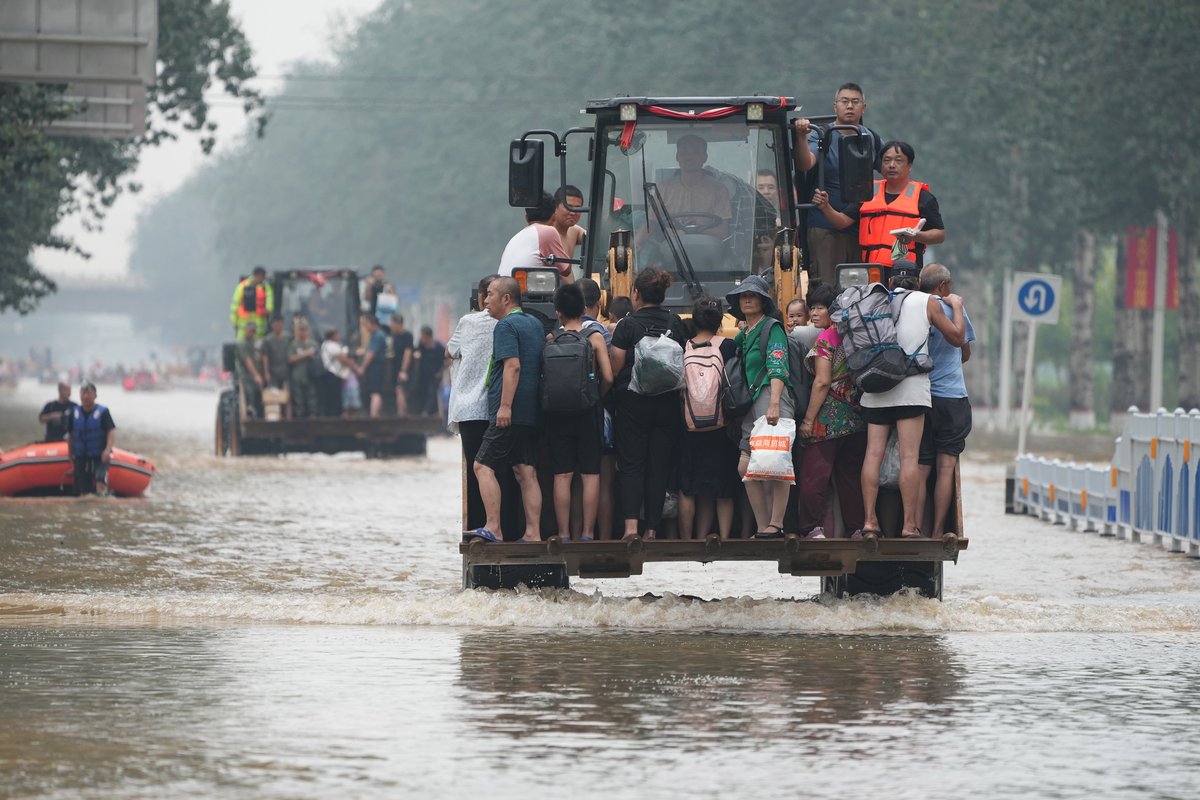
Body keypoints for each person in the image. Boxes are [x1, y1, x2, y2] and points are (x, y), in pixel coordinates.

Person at [856, 261, 966, 539]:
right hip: (911, 389)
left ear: (891, 281)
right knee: (909, 458)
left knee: (872, 456)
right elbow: (956, 338)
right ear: (917, 282)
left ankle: (870, 522)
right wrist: (959, 307)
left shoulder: (874, 299)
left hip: (876, 387)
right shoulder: (927, 301)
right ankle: (909, 526)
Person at [464, 276, 546, 543]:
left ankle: (493, 527)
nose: (485, 301)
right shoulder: (535, 324)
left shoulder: (506, 326)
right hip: (531, 412)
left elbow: (513, 366)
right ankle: (533, 532)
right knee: (526, 471)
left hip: (509, 413)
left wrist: (504, 407)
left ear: (506, 299)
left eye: (489, 295)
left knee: (481, 466)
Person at [610, 268, 690, 540]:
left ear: (636, 294)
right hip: (667, 402)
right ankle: (652, 529)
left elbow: (616, 366)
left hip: (633, 403)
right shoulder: (676, 322)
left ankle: (631, 528)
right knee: (659, 465)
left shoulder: (627, 325)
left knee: (632, 464)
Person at [795, 282, 867, 539]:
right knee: (850, 478)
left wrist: (807, 420)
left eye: (820, 308)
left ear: (833, 310)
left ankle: (812, 528)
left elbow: (823, 381)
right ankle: (856, 529)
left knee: (814, 476)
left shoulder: (827, 338)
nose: (814, 313)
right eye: (811, 307)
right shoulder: (855, 335)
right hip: (858, 418)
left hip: (828, 420)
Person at [794, 83, 885, 286]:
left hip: (861, 227)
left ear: (864, 107)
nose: (850, 106)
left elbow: (889, 169)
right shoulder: (821, 134)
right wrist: (801, 136)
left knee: (859, 289)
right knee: (828, 286)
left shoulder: (871, 137)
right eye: (844, 101)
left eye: (855, 102)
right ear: (835, 106)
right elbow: (805, 163)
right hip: (824, 226)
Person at [726, 275, 794, 538]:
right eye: (743, 296)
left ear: (764, 301)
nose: (747, 299)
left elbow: (778, 367)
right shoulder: (745, 333)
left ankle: (776, 525)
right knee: (746, 466)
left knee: (777, 461)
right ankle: (763, 526)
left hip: (771, 396)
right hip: (753, 403)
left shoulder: (772, 328)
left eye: (753, 295)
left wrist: (775, 404)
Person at [812, 141, 945, 272]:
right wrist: (825, 206)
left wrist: (915, 236)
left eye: (898, 161)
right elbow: (841, 222)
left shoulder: (923, 197)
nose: (891, 165)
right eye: (886, 160)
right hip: (870, 271)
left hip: (906, 272)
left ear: (909, 166)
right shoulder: (868, 192)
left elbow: (940, 234)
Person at [546, 283, 613, 541]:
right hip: (589, 411)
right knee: (590, 474)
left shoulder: (553, 339)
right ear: (584, 309)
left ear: (559, 313)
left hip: (558, 413)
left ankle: (563, 533)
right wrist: (596, 395)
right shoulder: (594, 338)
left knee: (562, 475)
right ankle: (587, 533)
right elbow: (607, 376)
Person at [918, 263, 977, 537]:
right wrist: (956, 307)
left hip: (922, 398)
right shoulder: (953, 308)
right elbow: (964, 352)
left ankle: (913, 528)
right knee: (945, 468)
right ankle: (939, 530)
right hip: (952, 399)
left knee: (920, 466)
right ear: (942, 286)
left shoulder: (916, 308)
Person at [677, 296, 741, 540]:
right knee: (722, 488)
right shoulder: (728, 346)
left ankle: (688, 540)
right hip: (721, 426)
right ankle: (723, 539)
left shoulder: (684, 346)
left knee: (690, 488)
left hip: (689, 425)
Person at [448, 275, 504, 532]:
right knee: (498, 469)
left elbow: (450, 351)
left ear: (481, 298)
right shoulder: (509, 323)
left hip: (469, 409)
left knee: (475, 469)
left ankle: (479, 527)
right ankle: (504, 525)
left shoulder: (467, 322)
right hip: (498, 408)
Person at [579, 277, 618, 539]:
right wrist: (599, 397)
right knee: (602, 481)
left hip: (567, 413)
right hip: (596, 413)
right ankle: (599, 537)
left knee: (570, 480)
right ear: (599, 302)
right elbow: (609, 374)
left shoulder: (559, 332)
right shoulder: (599, 332)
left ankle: (571, 533)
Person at [656, 134, 731, 239]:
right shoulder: (663, 189)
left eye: (696, 152)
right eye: (684, 152)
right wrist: (637, 244)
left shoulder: (719, 190)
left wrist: (694, 230)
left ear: (705, 157)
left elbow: (722, 232)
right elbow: (653, 227)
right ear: (677, 156)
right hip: (672, 250)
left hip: (710, 251)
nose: (689, 157)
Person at [497, 192, 572, 282]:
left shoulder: (517, 237)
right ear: (553, 217)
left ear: (526, 217)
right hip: (520, 293)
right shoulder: (547, 232)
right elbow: (566, 269)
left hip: (503, 288)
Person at [66, 381, 115, 496]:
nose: (86, 396)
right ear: (79, 395)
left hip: (100, 457)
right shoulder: (74, 413)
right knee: (83, 492)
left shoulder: (103, 412)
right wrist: (70, 453)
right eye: (83, 393)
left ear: (95, 395)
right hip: (81, 457)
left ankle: (102, 498)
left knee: (100, 483)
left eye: (89, 393)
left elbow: (111, 431)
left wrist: (108, 450)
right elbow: (70, 435)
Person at [551, 185, 588, 278]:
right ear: (555, 207)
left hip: (572, 289)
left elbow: (594, 238)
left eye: (577, 208)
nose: (573, 212)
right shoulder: (546, 234)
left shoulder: (574, 231)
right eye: (569, 207)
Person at [229, 266, 275, 341]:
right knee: (242, 346)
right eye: (260, 276)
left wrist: (268, 310)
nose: (262, 279)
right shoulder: (242, 286)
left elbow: (270, 305)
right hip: (243, 326)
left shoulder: (266, 288)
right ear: (255, 275)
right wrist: (234, 322)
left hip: (259, 328)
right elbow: (234, 306)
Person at [319, 328, 355, 417]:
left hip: (333, 374)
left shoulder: (326, 345)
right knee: (334, 397)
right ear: (332, 336)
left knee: (333, 396)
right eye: (337, 334)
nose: (339, 336)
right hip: (332, 374)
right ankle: (334, 416)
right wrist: (353, 364)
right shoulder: (331, 345)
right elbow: (343, 359)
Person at [411, 326, 446, 417]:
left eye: (422, 336)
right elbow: (415, 353)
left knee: (432, 393)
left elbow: (448, 361)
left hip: (434, 376)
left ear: (428, 337)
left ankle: (427, 412)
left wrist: (440, 372)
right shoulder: (421, 346)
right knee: (421, 392)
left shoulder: (439, 347)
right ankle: (421, 411)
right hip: (423, 375)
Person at [287, 322, 319, 418]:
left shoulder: (313, 344)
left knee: (312, 395)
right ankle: (299, 415)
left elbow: (318, 357)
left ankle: (312, 414)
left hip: (310, 374)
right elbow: (290, 359)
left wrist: (312, 355)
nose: (303, 333)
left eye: (304, 330)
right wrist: (305, 354)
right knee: (298, 397)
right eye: (301, 330)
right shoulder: (294, 344)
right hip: (298, 374)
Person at [358, 313, 388, 418]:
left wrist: (362, 368)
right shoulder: (375, 335)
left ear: (373, 324)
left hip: (376, 367)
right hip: (375, 367)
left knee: (375, 392)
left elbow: (371, 354)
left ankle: (374, 416)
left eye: (367, 324)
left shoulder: (378, 336)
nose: (366, 327)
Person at [236, 321, 265, 418]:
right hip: (247, 374)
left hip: (260, 373)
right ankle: (249, 408)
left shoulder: (257, 343)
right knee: (250, 390)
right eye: (250, 330)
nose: (251, 332)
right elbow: (248, 361)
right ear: (245, 331)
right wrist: (256, 375)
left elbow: (262, 356)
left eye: (253, 330)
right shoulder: (242, 344)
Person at [390, 313, 415, 416]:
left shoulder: (407, 336)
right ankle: (402, 413)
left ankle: (402, 414)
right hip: (396, 368)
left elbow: (407, 353)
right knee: (399, 390)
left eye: (392, 324)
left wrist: (403, 370)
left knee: (400, 390)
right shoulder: (394, 336)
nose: (391, 326)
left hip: (404, 369)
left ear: (398, 324)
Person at [261, 317, 291, 390]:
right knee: (275, 394)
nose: (278, 326)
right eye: (276, 324)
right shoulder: (267, 340)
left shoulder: (288, 337)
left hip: (286, 370)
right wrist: (266, 372)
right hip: (273, 371)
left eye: (280, 323)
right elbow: (265, 356)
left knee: (287, 394)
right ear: (272, 325)